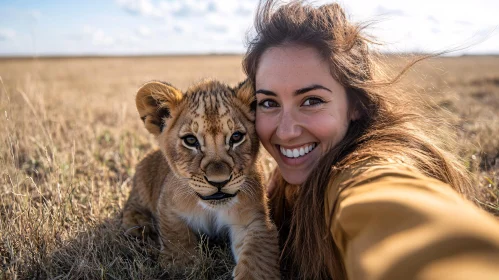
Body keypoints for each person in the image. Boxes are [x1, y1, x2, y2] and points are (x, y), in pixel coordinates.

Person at [242, 1, 499, 279]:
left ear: (355, 104)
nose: (287, 131)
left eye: (312, 101)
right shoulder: (287, 183)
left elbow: (396, 211)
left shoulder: (362, 172)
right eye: (268, 103)